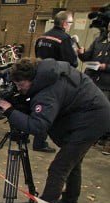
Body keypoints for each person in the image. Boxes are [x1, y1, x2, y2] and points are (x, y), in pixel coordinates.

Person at [0, 58, 110, 203]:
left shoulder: (47, 92)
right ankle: (69, 202)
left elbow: (38, 126)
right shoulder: (46, 73)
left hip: (91, 120)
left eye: (21, 85)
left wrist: (11, 111)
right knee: (73, 161)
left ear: (31, 79)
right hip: (91, 113)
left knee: (59, 167)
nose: (19, 89)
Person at [32, 10, 78, 153]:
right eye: (70, 23)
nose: (70, 25)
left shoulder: (42, 37)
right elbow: (72, 62)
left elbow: (36, 56)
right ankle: (40, 142)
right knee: (49, 110)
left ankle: (27, 134)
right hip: (56, 80)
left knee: (38, 106)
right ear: (64, 24)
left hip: (40, 76)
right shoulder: (64, 39)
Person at [78, 22, 110, 154]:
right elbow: (87, 57)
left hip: (106, 84)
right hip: (92, 80)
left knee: (105, 112)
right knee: (89, 109)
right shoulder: (99, 40)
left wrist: (105, 67)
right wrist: (81, 53)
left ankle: (106, 140)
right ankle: (91, 136)